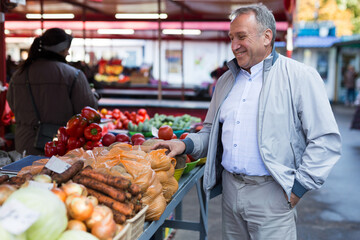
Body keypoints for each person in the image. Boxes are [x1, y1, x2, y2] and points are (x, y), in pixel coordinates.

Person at [153, 4, 341, 239]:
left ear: (266, 37)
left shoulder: (300, 77)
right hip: (231, 192)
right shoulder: (226, 81)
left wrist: (299, 187)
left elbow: (325, 139)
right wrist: (185, 144)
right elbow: (211, 131)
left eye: (241, 36)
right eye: (232, 37)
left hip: (273, 194)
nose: (234, 45)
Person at [7, 28, 98, 156]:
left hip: (24, 145)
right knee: (57, 176)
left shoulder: (19, 74)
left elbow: (13, 105)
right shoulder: (73, 75)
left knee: (25, 175)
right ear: (62, 49)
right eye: (67, 49)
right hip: (61, 145)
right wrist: (92, 94)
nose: (68, 53)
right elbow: (88, 112)